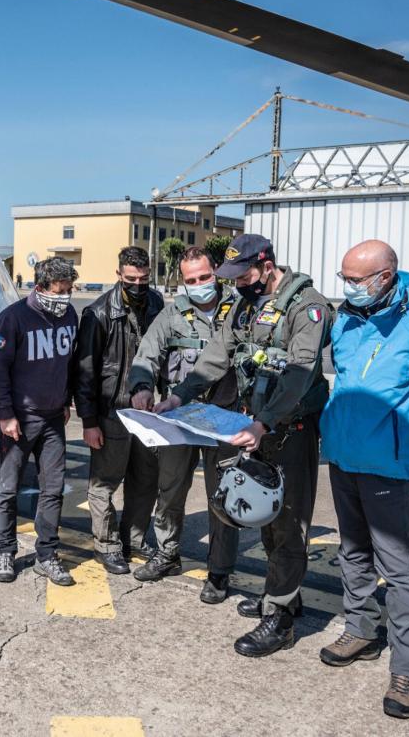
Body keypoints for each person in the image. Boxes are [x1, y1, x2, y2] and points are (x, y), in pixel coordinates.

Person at [156, 234, 332, 658]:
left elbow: (300, 373)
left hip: (289, 429)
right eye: (231, 278)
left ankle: (281, 620)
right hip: (255, 426)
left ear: (267, 264)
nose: (237, 284)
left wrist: (264, 422)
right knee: (266, 516)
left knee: (289, 522)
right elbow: (217, 355)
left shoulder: (307, 306)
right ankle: (283, 596)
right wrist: (181, 395)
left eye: (245, 275)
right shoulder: (243, 303)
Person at [319, 240, 409, 720]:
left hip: (389, 466)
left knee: (399, 568)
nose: (349, 288)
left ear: (386, 276)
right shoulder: (347, 319)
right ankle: (361, 630)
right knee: (353, 553)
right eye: (344, 279)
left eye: (356, 280)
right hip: (343, 458)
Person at [127, 247, 240, 585]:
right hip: (180, 416)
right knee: (171, 489)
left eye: (205, 277)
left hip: (224, 418)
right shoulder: (173, 313)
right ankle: (167, 554)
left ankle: (219, 571)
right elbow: (148, 352)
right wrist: (143, 385)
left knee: (223, 496)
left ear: (217, 271)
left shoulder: (239, 308)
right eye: (191, 280)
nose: (199, 284)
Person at [0, 256, 80, 587]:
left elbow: (67, 363)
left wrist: (66, 399)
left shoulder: (69, 315)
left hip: (54, 418)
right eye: (60, 291)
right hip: (20, 419)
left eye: (69, 290)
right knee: (8, 488)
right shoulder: (14, 319)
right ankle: (4, 551)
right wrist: (5, 414)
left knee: (52, 489)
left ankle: (47, 555)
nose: (65, 297)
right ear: (40, 288)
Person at [74, 246, 164, 574]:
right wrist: (89, 422)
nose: (138, 285)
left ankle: (134, 538)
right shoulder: (98, 314)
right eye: (131, 279)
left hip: (147, 412)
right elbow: (84, 373)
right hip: (112, 413)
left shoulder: (155, 303)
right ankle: (107, 544)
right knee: (104, 483)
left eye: (144, 279)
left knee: (145, 481)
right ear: (118, 276)